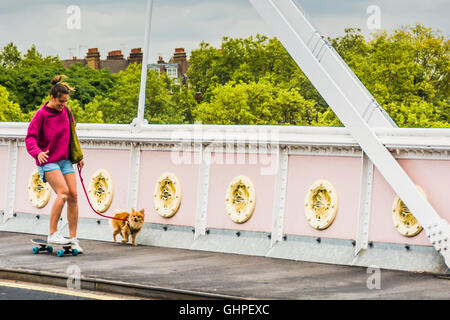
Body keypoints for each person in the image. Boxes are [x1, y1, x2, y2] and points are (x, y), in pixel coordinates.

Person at [25, 75, 84, 253]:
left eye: (65, 101)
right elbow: (30, 138)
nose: (63, 105)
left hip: (65, 160)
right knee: (63, 193)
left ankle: (73, 239)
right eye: (60, 101)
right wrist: (38, 152)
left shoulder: (66, 111)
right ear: (52, 97)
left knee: (73, 195)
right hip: (48, 160)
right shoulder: (41, 115)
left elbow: (73, 135)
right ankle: (53, 233)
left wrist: (78, 156)